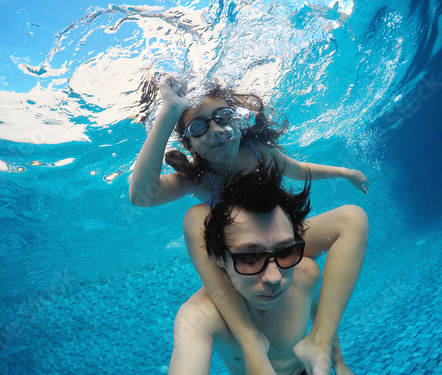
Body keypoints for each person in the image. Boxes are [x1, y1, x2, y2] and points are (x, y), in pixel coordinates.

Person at [129, 75, 369, 374]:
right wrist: (169, 112)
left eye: (223, 117)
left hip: (272, 235)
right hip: (239, 250)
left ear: (239, 120)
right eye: (199, 127)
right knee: (195, 218)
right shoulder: (197, 178)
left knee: (352, 218)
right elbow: (141, 196)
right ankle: (248, 337)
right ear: (189, 144)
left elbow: (299, 169)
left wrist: (345, 172)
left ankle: (317, 342)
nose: (216, 131)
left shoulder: (259, 151)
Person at [169, 160, 354, 375]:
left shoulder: (305, 275)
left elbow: (320, 315)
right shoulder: (201, 316)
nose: (274, 278)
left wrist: (339, 364)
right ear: (219, 258)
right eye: (250, 258)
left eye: (285, 252)